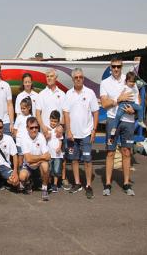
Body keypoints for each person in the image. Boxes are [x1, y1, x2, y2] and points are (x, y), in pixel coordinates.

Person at [100, 57, 136, 196]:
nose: (116, 69)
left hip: (128, 120)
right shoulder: (105, 83)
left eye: (118, 67)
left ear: (122, 67)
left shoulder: (128, 80)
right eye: (114, 66)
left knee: (126, 152)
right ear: (110, 67)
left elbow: (137, 99)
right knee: (110, 152)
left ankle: (126, 184)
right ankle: (108, 184)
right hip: (112, 120)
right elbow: (104, 104)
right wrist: (118, 100)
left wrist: (134, 110)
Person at [63, 68, 99, 199]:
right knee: (74, 160)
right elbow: (66, 113)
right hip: (73, 135)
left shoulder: (90, 93)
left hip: (86, 134)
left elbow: (95, 112)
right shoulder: (68, 94)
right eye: (76, 77)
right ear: (72, 79)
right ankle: (77, 183)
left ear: (83, 78)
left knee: (88, 161)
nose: (78, 79)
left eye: (81, 77)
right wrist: (68, 130)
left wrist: (94, 130)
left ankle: (88, 185)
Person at [35, 68, 70, 190]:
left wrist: (62, 126)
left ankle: (60, 180)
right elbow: (38, 113)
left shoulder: (62, 94)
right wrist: (43, 128)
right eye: (47, 76)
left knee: (60, 157)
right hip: (45, 133)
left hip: (58, 132)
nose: (49, 78)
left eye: (51, 76)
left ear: (56, 78)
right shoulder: (41, 94)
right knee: (45, 158)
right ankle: (46, 182)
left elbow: (65, 113)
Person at [19, 117, 51, 201]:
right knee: (22, 177)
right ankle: (29, 182)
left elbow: (48, 156)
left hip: (38, 164)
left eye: (36, 127)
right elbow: (28, 159)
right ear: (27, 128)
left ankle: (44, 188)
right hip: (28, 165)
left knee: (45, 166)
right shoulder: (23, 138)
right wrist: (41, 158)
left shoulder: (41, 136)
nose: (34, 130)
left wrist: (37, 161)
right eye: (31, 127)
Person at [110, 71, 146, 140]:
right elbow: (117, 97)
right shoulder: (124, 87)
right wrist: (120, 98)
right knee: (118, 115)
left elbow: (136, 97)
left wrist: (134, 109)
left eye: (133, 82)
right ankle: (114, 128)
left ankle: (140, 121)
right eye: (130, 81)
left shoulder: (135, 87)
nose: (132, 83)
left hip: (132, 104)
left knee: (140, 108)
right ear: (126, 81)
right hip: (123, 104)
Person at [47, 111, 64, 193]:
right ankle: (49, 184)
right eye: (52, 121)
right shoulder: (47, 129)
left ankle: (55, 184)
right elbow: (44, 139)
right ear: (49, 119)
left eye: (55, 121)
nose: (53, 123)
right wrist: (47, 136)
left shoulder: (58, 129)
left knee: (56, 170)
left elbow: (60, 140)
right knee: (49, 169)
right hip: (49, 153)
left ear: (58, 121)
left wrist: (59, 147)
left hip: (57, 154)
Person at [13, 97, 32, 167]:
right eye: (21, 108)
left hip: (28, 142)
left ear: (29, 107)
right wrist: (17, 139)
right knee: (20, 158)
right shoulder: (19, 117)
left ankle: (26, 173)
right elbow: (15, 129)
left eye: (24, 108)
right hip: (19, 142)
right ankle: (19, 172)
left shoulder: (31, 117)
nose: (22, 110)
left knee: (27, 158)